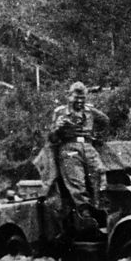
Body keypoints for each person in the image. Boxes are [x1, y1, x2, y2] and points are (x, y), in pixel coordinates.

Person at [47, 81, 109, 212]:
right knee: (76, 181)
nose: (80, 101)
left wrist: (98, 138)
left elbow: (105, 121)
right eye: (76, 98)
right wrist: (57, 128)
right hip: (69, 147)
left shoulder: (90, 111)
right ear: (69, 97)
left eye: (82, 98)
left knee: (99, 173)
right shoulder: (60, 112)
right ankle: (83, 210)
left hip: (88, 146)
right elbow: (51, 138)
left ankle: (99, 207)